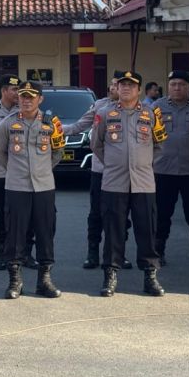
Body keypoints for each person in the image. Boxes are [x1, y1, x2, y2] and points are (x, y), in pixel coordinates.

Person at [92, 70, 167, 297]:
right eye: (122, 84)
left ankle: (150, 275)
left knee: (147, 230)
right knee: (113, 230)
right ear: (117, 88)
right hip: (114, 182)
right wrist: (114, 164)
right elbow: (97, 145)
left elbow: (159, 146)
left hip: (143, 183)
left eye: (131, 85)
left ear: (139, 90)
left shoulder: (151, 114)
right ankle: (111, 274)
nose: (126, 88)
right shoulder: (104, 113)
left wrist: (143, 164)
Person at [0, 81, 65, 299]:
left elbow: (58, 151)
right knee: (15, 233)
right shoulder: (7, 123)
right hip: (17, 187)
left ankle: (44, 280)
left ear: (40, 99)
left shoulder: (51, 123)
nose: (26, 100)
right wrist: (17, 172)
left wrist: (42, 170)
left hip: (44, 187)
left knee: (45, 232)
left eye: (31, 96)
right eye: (23, 96)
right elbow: (0, 153)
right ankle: (15, 282)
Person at [62, 77, 132, 270]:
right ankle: (92, 253)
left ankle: (119, 254)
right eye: (113, 84)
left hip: (125, 173)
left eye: (118, 85)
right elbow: (79, 126)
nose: (114, 88)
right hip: (101, 171)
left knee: (121, 215)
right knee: (96, 213)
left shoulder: (139, 110)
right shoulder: (100, 106)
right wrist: (56, 129)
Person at [0, 74, 38, 270]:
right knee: (2, 214)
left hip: (24, 174)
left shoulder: (26, 111)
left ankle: (26, 253)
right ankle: (3, 254)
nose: (19, 93)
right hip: (0, 174)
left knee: (27, 215)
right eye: (14, 90)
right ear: (3, 91)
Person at [152, 70, 189, 265]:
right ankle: (158, 251)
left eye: (182, 84)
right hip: (163, 170)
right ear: (168, 87)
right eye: (173, 84)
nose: (177, 88)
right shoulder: (157, 107)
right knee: (161, 214)